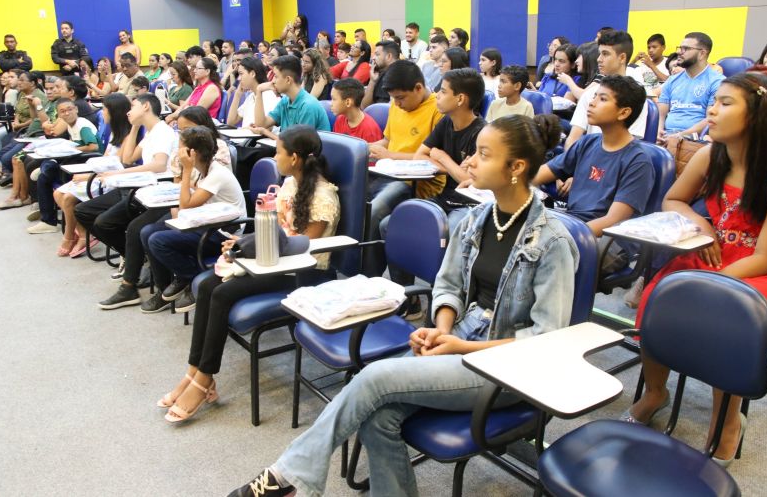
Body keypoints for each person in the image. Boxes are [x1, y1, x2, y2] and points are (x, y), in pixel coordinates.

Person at [226, 113, 577, 497]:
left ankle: (288, 476)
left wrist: (460, 346)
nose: (470, 163)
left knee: (374, 378)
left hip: (506, 369)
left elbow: (545, 340)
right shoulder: (476, 219)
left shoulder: (553, 241)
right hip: (461, 338)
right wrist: (443, 329)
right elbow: (449, 285)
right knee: (378, 418)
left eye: (483, 155)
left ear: (517, 167)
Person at [623, 72, 767, 467]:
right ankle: (655, 393)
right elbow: (674, 200)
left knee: (727, 320)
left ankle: (728, 420)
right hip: (713, 254)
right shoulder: (709, 154)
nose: (712, 110)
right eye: (714, 101)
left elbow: (765, 257)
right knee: (655, 298)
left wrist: (706, 288)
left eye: (726, 103)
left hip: (763, 270)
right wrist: (704, 226)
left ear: (758, 116)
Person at [157, 124, 340, 423]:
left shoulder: (322, 196)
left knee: (222, 292)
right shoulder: (292, 183)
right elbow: (277, 232)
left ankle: (203, 380)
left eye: (278, 152)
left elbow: (304, 247)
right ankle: (194, 373)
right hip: (276, 259)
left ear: (294, 157)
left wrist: (254, 248)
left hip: (303, 270)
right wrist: (246, 244)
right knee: (205, 287)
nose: (275, 157)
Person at [534, 75, 655, 274]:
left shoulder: (638, 161)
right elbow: (539, 174)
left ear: (624, 112)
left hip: (608, 239)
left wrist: (561, 236)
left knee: (543, 262)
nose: (592, 102)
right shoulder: (587, 142)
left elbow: (613, 220)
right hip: (574, 224)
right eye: (594, 96)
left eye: (603, 99)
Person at [75, 94, 177, 309]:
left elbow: (159, 165)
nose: (128, 111)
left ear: (146, 106)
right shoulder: (149, 133)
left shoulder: (164, 132)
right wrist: (133, 128)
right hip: (142, 189)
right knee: (98, 220)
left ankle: (129, 286)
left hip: (160, 192)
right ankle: (136, 260)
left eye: (133, 106)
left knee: (134, 228)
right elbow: (127, 158)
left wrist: (119, 175)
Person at [140, 124, 244, 313]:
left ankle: (194, 278)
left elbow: (185, 206)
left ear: (191, 153)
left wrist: (186, 169)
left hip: (223, 232)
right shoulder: (201, 169)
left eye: (180, 147)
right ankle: (168, 287)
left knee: (158, 241)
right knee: (147, 232)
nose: (177, 152)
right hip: (205, 223)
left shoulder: (217, 173)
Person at [363, 60, 444, 279]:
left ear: (419, 88)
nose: (397, 104)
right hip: (388, 173)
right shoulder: (396, 105)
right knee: (357, 202)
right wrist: (366, 148)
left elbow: (433, 160)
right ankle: (368, 276)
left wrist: (390, 155)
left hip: (420, 182)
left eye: (400, 98)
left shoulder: (439, 110)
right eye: (393, 98)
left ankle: (376, 279)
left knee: (375, 210)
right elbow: (387, 141)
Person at [52, 93, 132, 257]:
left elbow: (119, 166)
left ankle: (71, 236)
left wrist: (90, 176)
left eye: (104, 109)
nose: (101, 113)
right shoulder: (113, 132)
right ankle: (83, 234)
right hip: (99, 174)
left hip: (110, 179)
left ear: (114, 112)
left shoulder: (128, 135)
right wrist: (89, 172)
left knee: (67, 198)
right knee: (58, 193)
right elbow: (105, 159)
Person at [411, 67, 488, 228]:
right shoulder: (447, 121)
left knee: (449, 233)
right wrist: (454, 168)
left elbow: (470, 180)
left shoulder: (482, 133)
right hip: (444, 198)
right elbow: (419, 156)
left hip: (469, 204)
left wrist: (441, 157)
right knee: (391, 224)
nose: (437, 95)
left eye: (443, 92)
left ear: (460, 99)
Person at [21, 98, 100, 233]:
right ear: (59, 115)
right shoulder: (71, 125)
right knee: (45, 174)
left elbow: (94, 146)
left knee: (45, 175)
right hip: (74, 161)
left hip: (86, 164)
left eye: (70, 109)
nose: (67, 113)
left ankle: (48, 221)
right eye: (62, 111)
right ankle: (47, 218)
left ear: (76, 109)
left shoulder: (82, 125)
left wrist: (73, 149)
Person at [565, 30, 647, 152]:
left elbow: (628, 147)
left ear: (622, 57)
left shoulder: (635, 97)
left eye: (605, 54)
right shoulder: (589, 94)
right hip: (588, 160)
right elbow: (573, 138)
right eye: (599, 54)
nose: (599, 59)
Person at [658, 32, 725, 144]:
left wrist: (679, 136)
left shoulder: (717, 82)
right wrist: (658, 131)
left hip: (695, 139)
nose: (679, 52)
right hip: (666, 136)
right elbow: (661, 113)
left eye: (685, 48)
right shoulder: (672, 80)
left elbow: (710, 119)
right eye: (679, 48)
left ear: (702, 54)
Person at [250, 54, 330, 141]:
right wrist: (259, 91)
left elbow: (298, 146)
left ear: (288, 80)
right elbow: (261, 124)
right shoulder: (286, 100)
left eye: (276, 77)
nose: (273, 81)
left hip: (306, 153)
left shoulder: (308, 105)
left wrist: (266, 132)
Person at [166, 57, 222, 123]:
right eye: (195, 68)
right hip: (191, 122)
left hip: (203, 126)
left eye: (198, 68)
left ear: (207, 71)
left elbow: (196, 112)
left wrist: (176, 119)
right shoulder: (198, 87)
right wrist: (171, 117)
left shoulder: (212, 88)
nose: (194, 71)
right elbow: (182, 107)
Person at [330, 78, 383, 144]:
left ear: (348, 102)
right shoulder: (340, 119)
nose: (331, 104)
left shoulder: (369, 130)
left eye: (334, 99)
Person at [362, 40, 401, 108]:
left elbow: (365, 107)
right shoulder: (382, 73)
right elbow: (365, 106)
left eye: (377, 54)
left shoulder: (394, 75)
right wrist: (372, 81)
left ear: (389, 56)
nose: (373, 58)